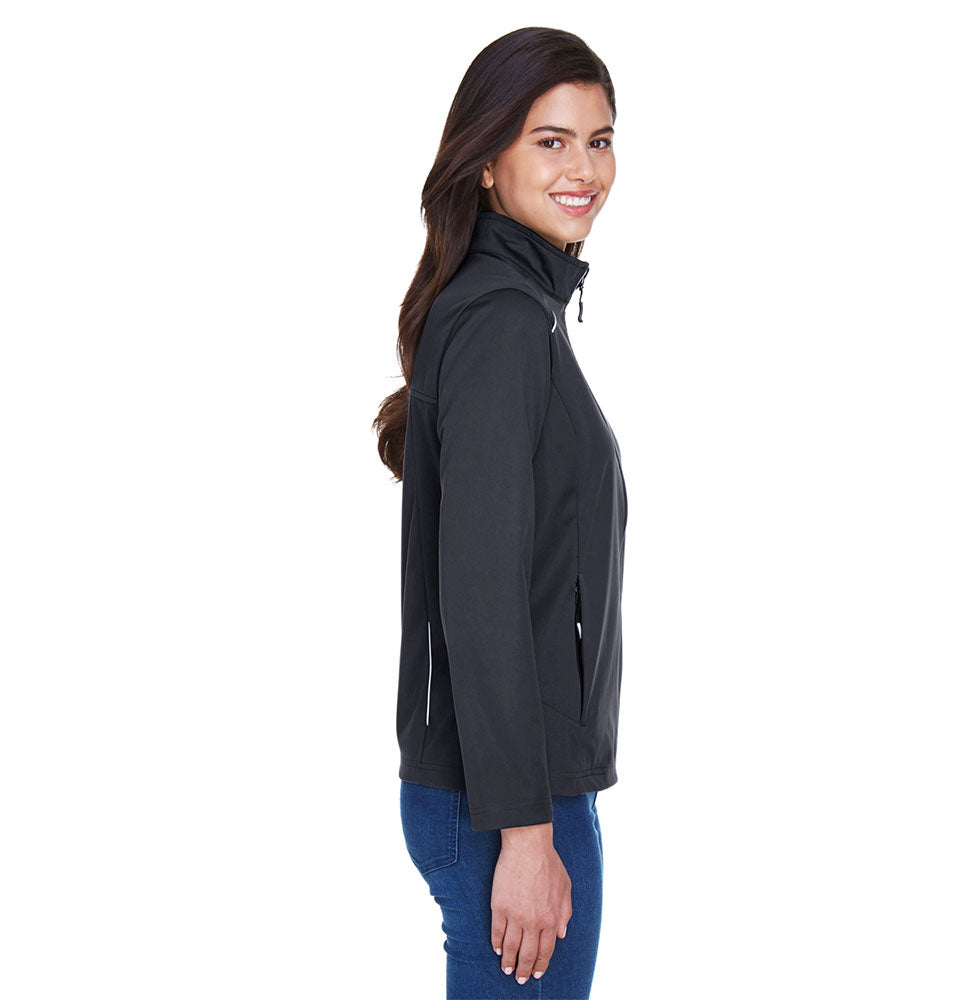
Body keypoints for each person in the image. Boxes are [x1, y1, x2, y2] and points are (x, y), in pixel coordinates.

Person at [373, 27, 627, 999]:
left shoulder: (510, 309)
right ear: (486, 163)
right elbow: (479, 590)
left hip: (511, 789)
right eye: (549, 141)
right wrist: (526, 833)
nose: (583, 169)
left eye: (598, 140)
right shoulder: (504, 322)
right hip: (509, 804)